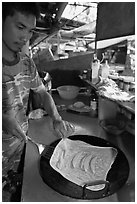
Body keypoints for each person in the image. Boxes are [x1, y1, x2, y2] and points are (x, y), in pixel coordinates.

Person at [2, 2, 74, 201]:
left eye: (30, 30)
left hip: (21, 147)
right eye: (19, 27)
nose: (25, 37)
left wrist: (56, 118)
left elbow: (42, 93)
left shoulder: (27, 63)